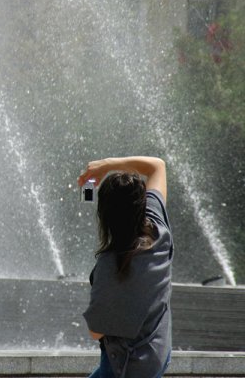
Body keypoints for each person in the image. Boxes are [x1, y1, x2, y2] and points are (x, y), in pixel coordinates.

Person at [78, 156, 173, 378]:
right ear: (143, 204)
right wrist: (108, 165)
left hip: (125, 367)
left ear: (105, 215)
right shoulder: (158, 231)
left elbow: (95, 331)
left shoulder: (109, 266)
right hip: (157, 354)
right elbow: (156, 166)